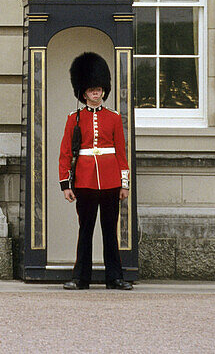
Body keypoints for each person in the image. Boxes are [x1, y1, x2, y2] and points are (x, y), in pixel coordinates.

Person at [58, 51, 132, 290]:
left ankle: (115, 277)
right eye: (92, 90)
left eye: (99, 89)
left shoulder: (113, 118)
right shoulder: (74, 119)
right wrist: (66, 185)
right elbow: (66, 153)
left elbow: (121, 152)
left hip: (110, 181)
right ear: (84, 93)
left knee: (110, 232)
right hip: (85, 181)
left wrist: (124, 182)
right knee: (86, 231)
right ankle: (81, 278)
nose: (96, 93)